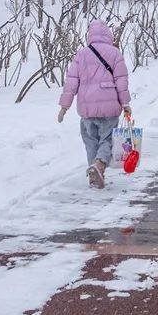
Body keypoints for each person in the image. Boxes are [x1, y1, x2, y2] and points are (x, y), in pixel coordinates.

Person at [57, 20, 132, 189]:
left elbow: (71, 82)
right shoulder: (115, 53)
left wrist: (64, 106)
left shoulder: (81, 54)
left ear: (90, 35)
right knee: (107, 140)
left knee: (90, 141)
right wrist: (125, 103)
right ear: (108, 35)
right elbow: (121, 81)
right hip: (110, 107)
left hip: (87, 108)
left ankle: (94, 174)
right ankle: (99, 166)